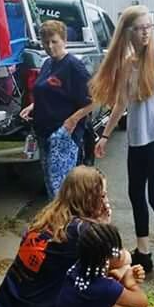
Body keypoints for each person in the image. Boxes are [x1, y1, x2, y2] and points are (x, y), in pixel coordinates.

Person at [91, 5, 154, 279]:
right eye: (140, 28)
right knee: (136, 196)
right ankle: (143, 253)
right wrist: (105, 135)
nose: (146, 32)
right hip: (137, 140)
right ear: (128, 31)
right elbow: (120, 104)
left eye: (149, 27)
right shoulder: (126, 64)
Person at [0, 166, 114, 307]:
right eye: (103, 196)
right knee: (117, 288)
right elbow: (118, 260)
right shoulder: (82, 231)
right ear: (89, 198)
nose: (106, 202)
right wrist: (104, 226)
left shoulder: (50, 215)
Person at [19, 20, 94, 198]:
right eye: (46, 42)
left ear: (64, 40)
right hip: (44, 132)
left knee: (60, 187)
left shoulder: (74, 67)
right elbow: (47, 91)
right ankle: (58, 223)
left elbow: (94, 100)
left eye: (54, 41)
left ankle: (67, 224)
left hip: (63, 134)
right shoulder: (47, 64)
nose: (50, 46)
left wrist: (71, 121)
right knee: (51, 186)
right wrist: (32, 106)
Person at [53, 222, 154, 307]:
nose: (123, 251)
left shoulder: (78, 268)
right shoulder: (107, 287)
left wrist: (118, 278)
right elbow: (143, 302)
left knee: (120, 300)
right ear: (105, 259)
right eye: (118, 250)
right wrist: (130, 284)